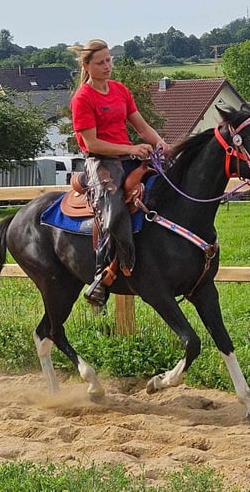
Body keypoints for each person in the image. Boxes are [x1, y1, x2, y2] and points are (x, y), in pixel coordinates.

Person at [69, 39, 171, 306]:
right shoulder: (82, 98)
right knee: (114, 210)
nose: (107, 66)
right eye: (101, 62)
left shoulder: (120, 90)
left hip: (129, 155)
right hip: (100, 161)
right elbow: (91, 143)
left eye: (109, 60)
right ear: (87, 66)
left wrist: (160, 144)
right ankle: (102, 277)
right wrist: (131, 148)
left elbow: (142, 126)